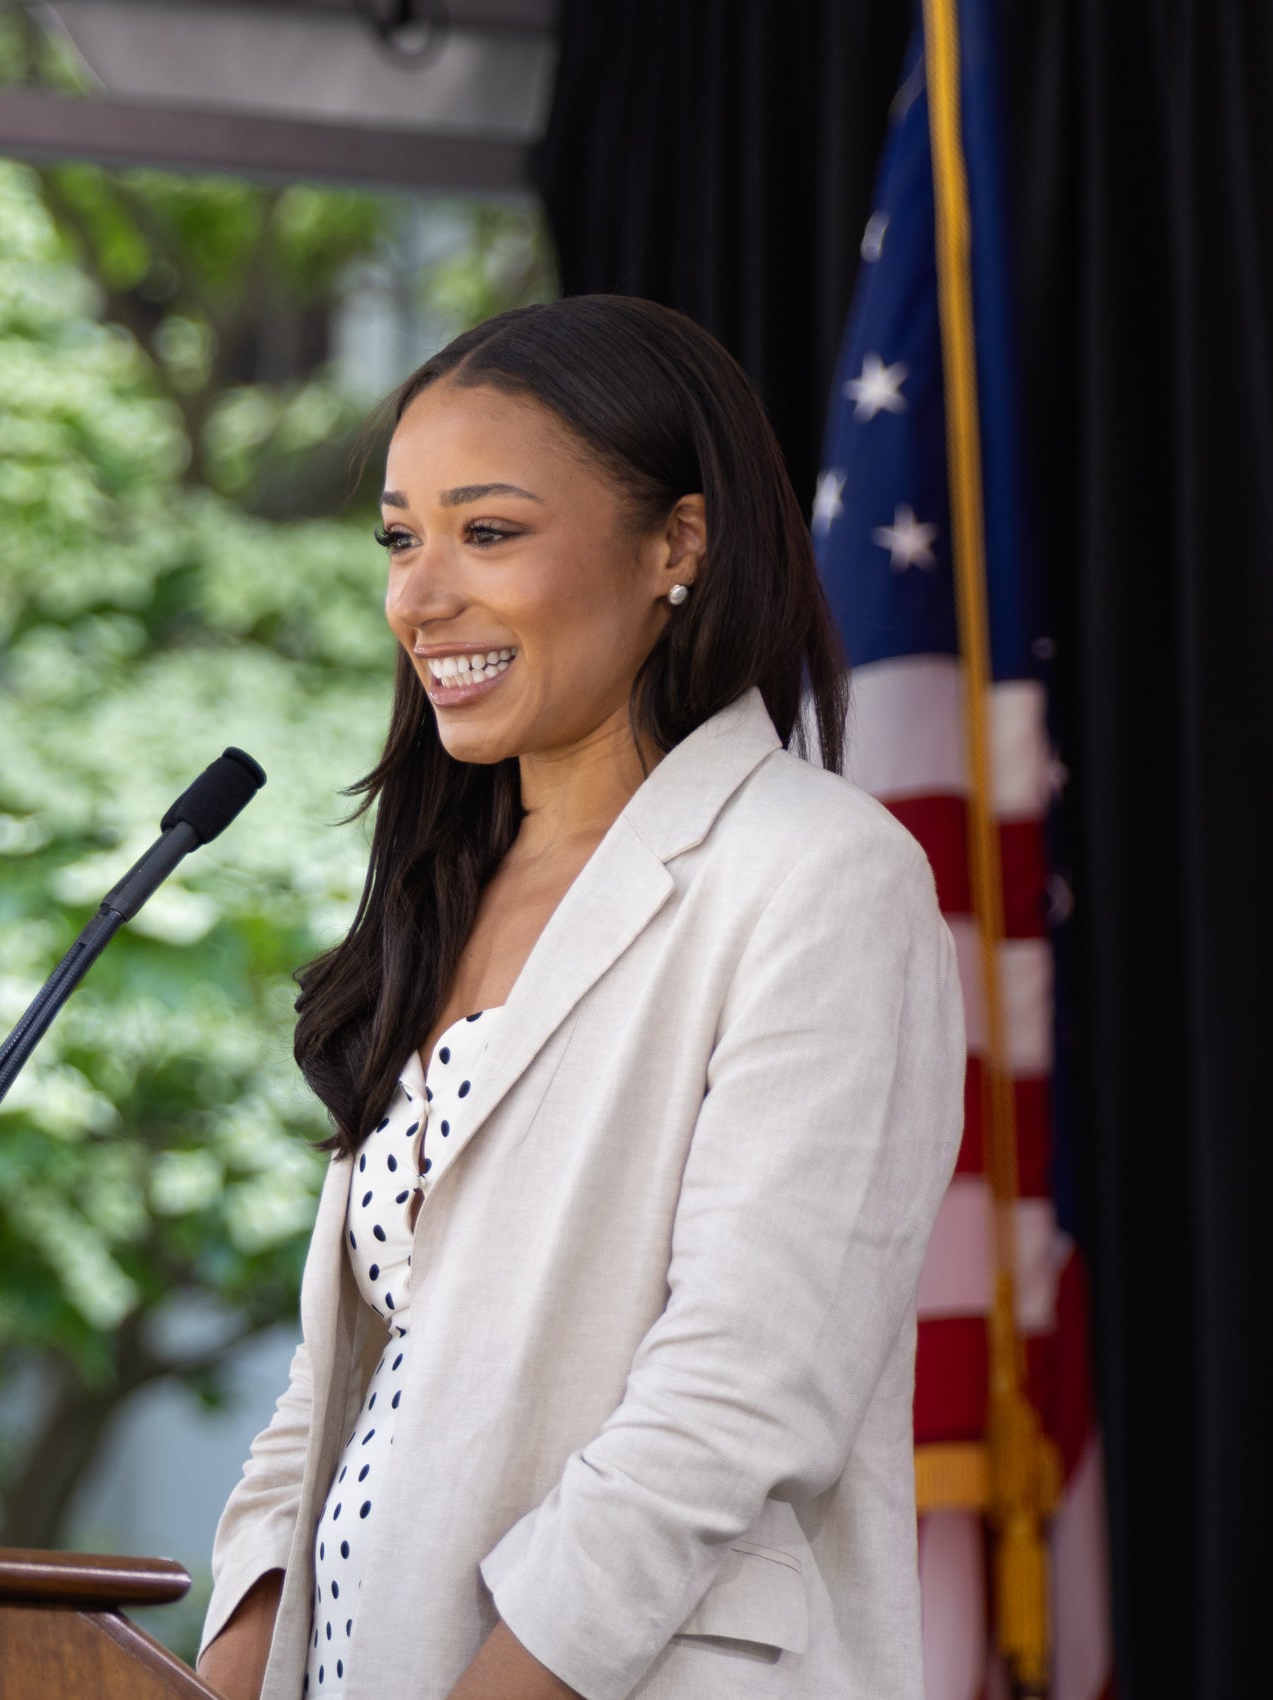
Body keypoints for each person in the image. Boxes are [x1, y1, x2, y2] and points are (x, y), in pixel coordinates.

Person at [193, 295, 963, 1700]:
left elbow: (739, 1391)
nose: (418, 598)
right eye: (398, 537)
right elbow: (338, 1384)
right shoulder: (445, 890)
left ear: (676, 543)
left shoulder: (819, 877)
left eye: (486, 533)